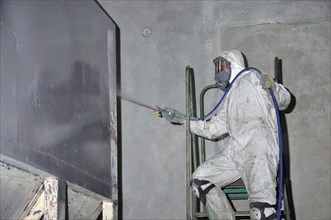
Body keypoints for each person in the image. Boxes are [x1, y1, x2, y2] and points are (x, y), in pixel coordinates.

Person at [156, 50, 291, 220]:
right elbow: (213, 129)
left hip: (260, 149)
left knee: (261, 212)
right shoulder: (229, 97)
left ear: (233, 63)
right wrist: (182, 120)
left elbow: (284, 101)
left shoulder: (254, 77)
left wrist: (273, 86)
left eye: (221, 65)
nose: (219, 71)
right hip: (236, 151)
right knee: (200, 180)